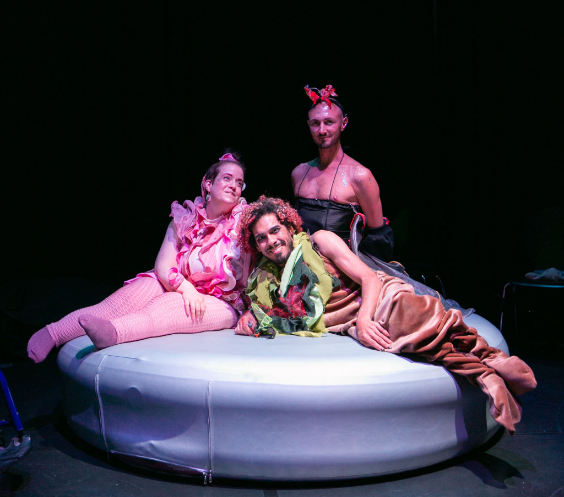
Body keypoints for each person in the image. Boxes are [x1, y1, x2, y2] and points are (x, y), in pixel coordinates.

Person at [234, 196, 536, 435]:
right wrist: (250, 315)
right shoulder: (267, 279)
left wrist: (366, 319)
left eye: (275, 230)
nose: (271, 241)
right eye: (261, 238)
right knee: (410, 341)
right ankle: (485, 375)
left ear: (289, 227)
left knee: (411, 317)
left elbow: (369, 278)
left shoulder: (319, 241)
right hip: (349, 321)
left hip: (375, 297)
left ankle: (490, 358)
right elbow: (266, 313)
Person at [27, 153, 251, 363]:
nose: (234, 186)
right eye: (227, 178)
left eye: (239, 183)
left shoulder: (244, 223)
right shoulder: (185, 218)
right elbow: (163, 266)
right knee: (130, 297)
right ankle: (54, 333)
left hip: (222, 302)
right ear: (208, 184)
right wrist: (187, 289)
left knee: (169, 305)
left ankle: (114, 332)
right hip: (184, 285)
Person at [291, 85, 394, 262]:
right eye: (315, 123)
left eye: (329, 122)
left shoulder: (359, 176)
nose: (322, 130)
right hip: (301, 265)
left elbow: (378, 239)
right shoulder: (299, 173)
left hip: (342, 271)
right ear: (309, 125)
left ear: (343, 123)